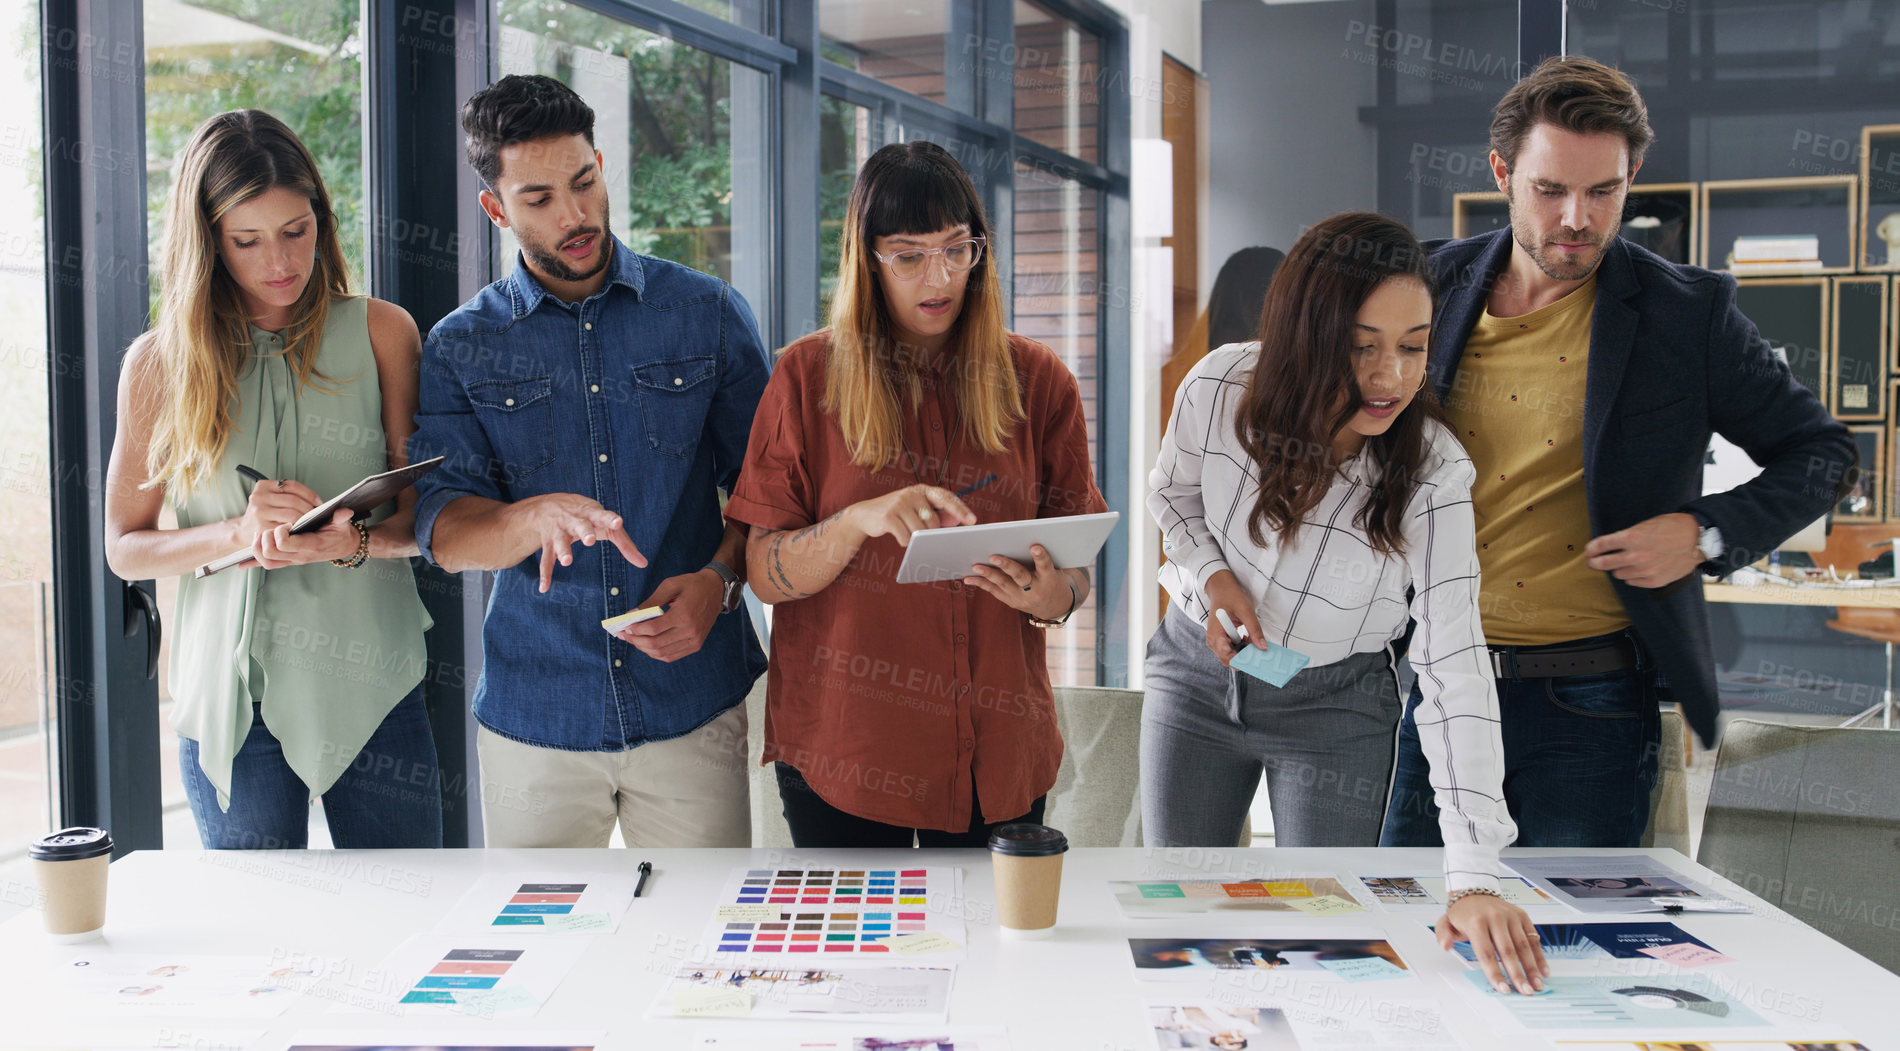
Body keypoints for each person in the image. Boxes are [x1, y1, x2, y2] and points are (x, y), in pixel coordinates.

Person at [1380, 56, 1855, 852]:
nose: (1578, 218)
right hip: (1434, 686)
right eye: (1551, 190)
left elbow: (1823, 451)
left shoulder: (1686, 315)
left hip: (1590, 702)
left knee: (1568, 952)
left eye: (1605, 191)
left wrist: (1703, 532)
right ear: (1503, 172)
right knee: (1407, 936)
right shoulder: (1425, 284)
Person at [1144, 211, 1545, 995]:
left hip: (1335, 711)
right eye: (1362, 345)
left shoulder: (1434, 473)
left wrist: (1474, 879)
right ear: (1306, 332)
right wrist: (1211, 577)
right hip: (1193, 679)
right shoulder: (1220, 384)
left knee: (1322, 941)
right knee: (1183, 923)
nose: (1390, 376)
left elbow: (1453, 664)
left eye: (1412, 345)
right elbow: (1173, 496)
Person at [408, 74, 770, 848]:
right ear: (496, 209)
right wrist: (527, 517)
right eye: (538, 198)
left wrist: (720, 582)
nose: (574, 215)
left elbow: (770, 495)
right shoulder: (459, 346)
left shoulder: (707, 313)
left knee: (702, 949)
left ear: (602, 165)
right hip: (536, 716)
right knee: (535, 960)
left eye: (584, 182)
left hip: (694, 706)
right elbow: (443, 527)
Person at [725, 140, 1107, 847]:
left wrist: (1052, 597)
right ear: (867, 259)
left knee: (996, 953)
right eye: (909, 256)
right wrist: (857, 522)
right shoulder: (806, 378)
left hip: (998, 757)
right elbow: (765, 573)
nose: (940, 277)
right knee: (855, 957)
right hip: (848, 756)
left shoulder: (1039, 380)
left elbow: (1076, 565)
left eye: (958, 249)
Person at [103, 109, 441, 850]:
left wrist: (346, 544)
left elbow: (426, 518)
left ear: (320, 214)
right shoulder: (159, 367)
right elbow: (124, 548)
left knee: (409, 923)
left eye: (295, 229)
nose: (280, 261)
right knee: (258, 948)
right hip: (229, 702)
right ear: (208, 243)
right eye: (246, 240)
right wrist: (234, 531)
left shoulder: (386, 332)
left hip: (374, 683)